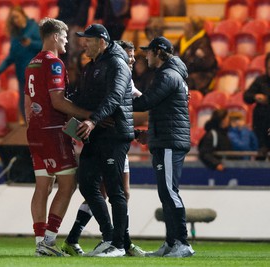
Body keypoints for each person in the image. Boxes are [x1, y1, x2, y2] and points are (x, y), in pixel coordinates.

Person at [62, 39, 144, 257]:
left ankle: (118, 241)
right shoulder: (105, 71)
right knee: (103, 190)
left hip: (115, 137)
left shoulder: (121, 76)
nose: (132, 59)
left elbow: (135, 105)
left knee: (117, 191)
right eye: (129, 54)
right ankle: (115, 239)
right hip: (104, 135)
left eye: (133, 56)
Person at [24, 17, 91, 257]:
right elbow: (58, 101)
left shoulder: (32, 63)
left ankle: (40, 241)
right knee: (68, 183)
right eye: (64, 37)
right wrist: (91, 115)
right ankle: (50, 239)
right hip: (53, 131)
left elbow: (28, 101)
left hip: (35, 132)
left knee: (42, 185)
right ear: (54, 37)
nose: (66, 43)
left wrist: (32, 125)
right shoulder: (54, 63)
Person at [132, 36, 194, 257]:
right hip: (165, 138)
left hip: (170, 141)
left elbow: (146, 102)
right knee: (166, 192)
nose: (146, 55)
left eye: (148, 51)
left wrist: (117, 101)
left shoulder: (168, 75)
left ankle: (182, 243)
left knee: (169, 191)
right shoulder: (171, 74)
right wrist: (152, 134)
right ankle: (171, 242)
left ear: (158, 52)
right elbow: (165, 109)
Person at [0, 5, 42, 121]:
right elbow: (12, 54)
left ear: (23, 14)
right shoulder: (15, 35)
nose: (16, 20)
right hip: (22, 73)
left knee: (38, 100)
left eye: (17, 17)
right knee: (24, 101)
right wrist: (1, 68)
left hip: (36, 72)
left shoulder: (34, 28)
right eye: (13, 19)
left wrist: (31, 43)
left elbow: (44, 46)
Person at [174, 16, 217, 95]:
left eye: (186, 24)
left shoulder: (203, 43)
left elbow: (206, 63)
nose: (184, 27)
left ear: (193, 28)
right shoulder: (182, 40)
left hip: (200, 78)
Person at [243, 52, 270, 160]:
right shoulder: (260, 80)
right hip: (261, 127)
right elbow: (246, 96)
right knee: (260, 154)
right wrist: (255, 96)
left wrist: (267, 99)